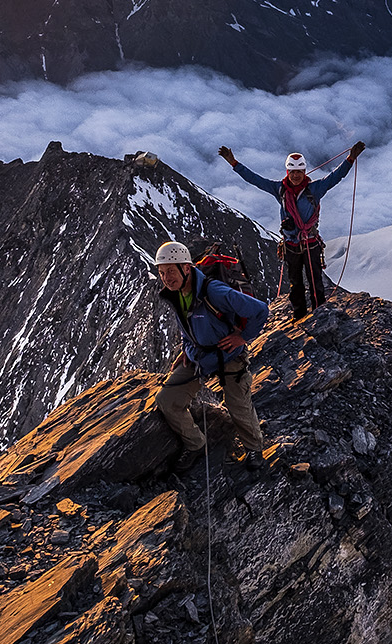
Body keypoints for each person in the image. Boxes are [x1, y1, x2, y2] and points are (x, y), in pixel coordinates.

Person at [151, 240, 271, 460]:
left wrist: (242, 338)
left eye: (170, 271)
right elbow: (187, 326)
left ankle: (254, 450)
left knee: (238, 406)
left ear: (186, 268)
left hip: (229, 355)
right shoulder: (176, 293)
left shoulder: (214, 291)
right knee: (167, 400)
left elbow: (261, 310)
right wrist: (186, 349)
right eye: (161, 273)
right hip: (200, 356)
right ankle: (196, 445)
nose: (166, 278)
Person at [219, 142, 364, 320]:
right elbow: (255, 180)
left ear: (304, 172)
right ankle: (299, 315)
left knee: (314, 281)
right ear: (288, 172)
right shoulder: (280, 189)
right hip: (292, 245)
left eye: (299, 172)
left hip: (308, 243)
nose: (295, 176)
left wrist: (350, 159)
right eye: (292, 172)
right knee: (296, 283)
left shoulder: (314, 189)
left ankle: (318, 313)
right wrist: (234, 164)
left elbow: (336, 177)